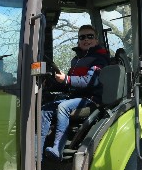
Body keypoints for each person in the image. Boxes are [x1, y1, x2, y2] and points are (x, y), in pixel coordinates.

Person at [41, 25, 110, 161]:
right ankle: (37, 154)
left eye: (90, 36)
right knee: (45, 110)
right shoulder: (76, 60)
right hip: (75, 97)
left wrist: (66, 79)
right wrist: (51, 83)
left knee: (63, 107)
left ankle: (57, 149)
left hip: (91, 99)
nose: (86, 40)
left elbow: (89, 82)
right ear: (78, 41)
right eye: (82, 37)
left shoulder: (100, 58)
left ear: (96, 40)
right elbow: (70, 84)